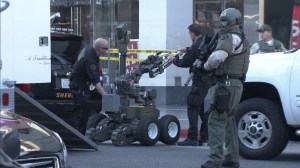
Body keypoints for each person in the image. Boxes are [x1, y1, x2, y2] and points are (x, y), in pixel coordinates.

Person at [199, 8, 250, 168]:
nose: (221, 24)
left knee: (215, 120)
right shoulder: (243, 39)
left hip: (225, 85)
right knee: (228, 120)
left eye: (223, 21)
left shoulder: (229, 38)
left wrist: (205, 66)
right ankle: (232, 158)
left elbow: (218, 57)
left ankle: (215, 159)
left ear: (229, 22)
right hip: (236, 84)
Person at [168, 24, 214, 146]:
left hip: (199, 80)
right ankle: (205, 137)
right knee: (204, 110)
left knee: (193, 106)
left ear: (193, 34)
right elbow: (199, 52)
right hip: (210, 81)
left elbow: (185, 62)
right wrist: (188, 49)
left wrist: (174, 59)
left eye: (190, 34)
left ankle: (192, 137)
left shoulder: (196, 45)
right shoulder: (206, 43)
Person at [69, 38, 108, 134]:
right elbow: (96, 81)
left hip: (81, 83)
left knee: (90, 104)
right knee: (83, 108)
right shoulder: (90, 59)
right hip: (79, 84)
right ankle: (81, 133)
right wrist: (105, 95)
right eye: (106, 49)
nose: (107, 51)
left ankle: (83, 130)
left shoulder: (91, 49)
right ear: (99, 49)